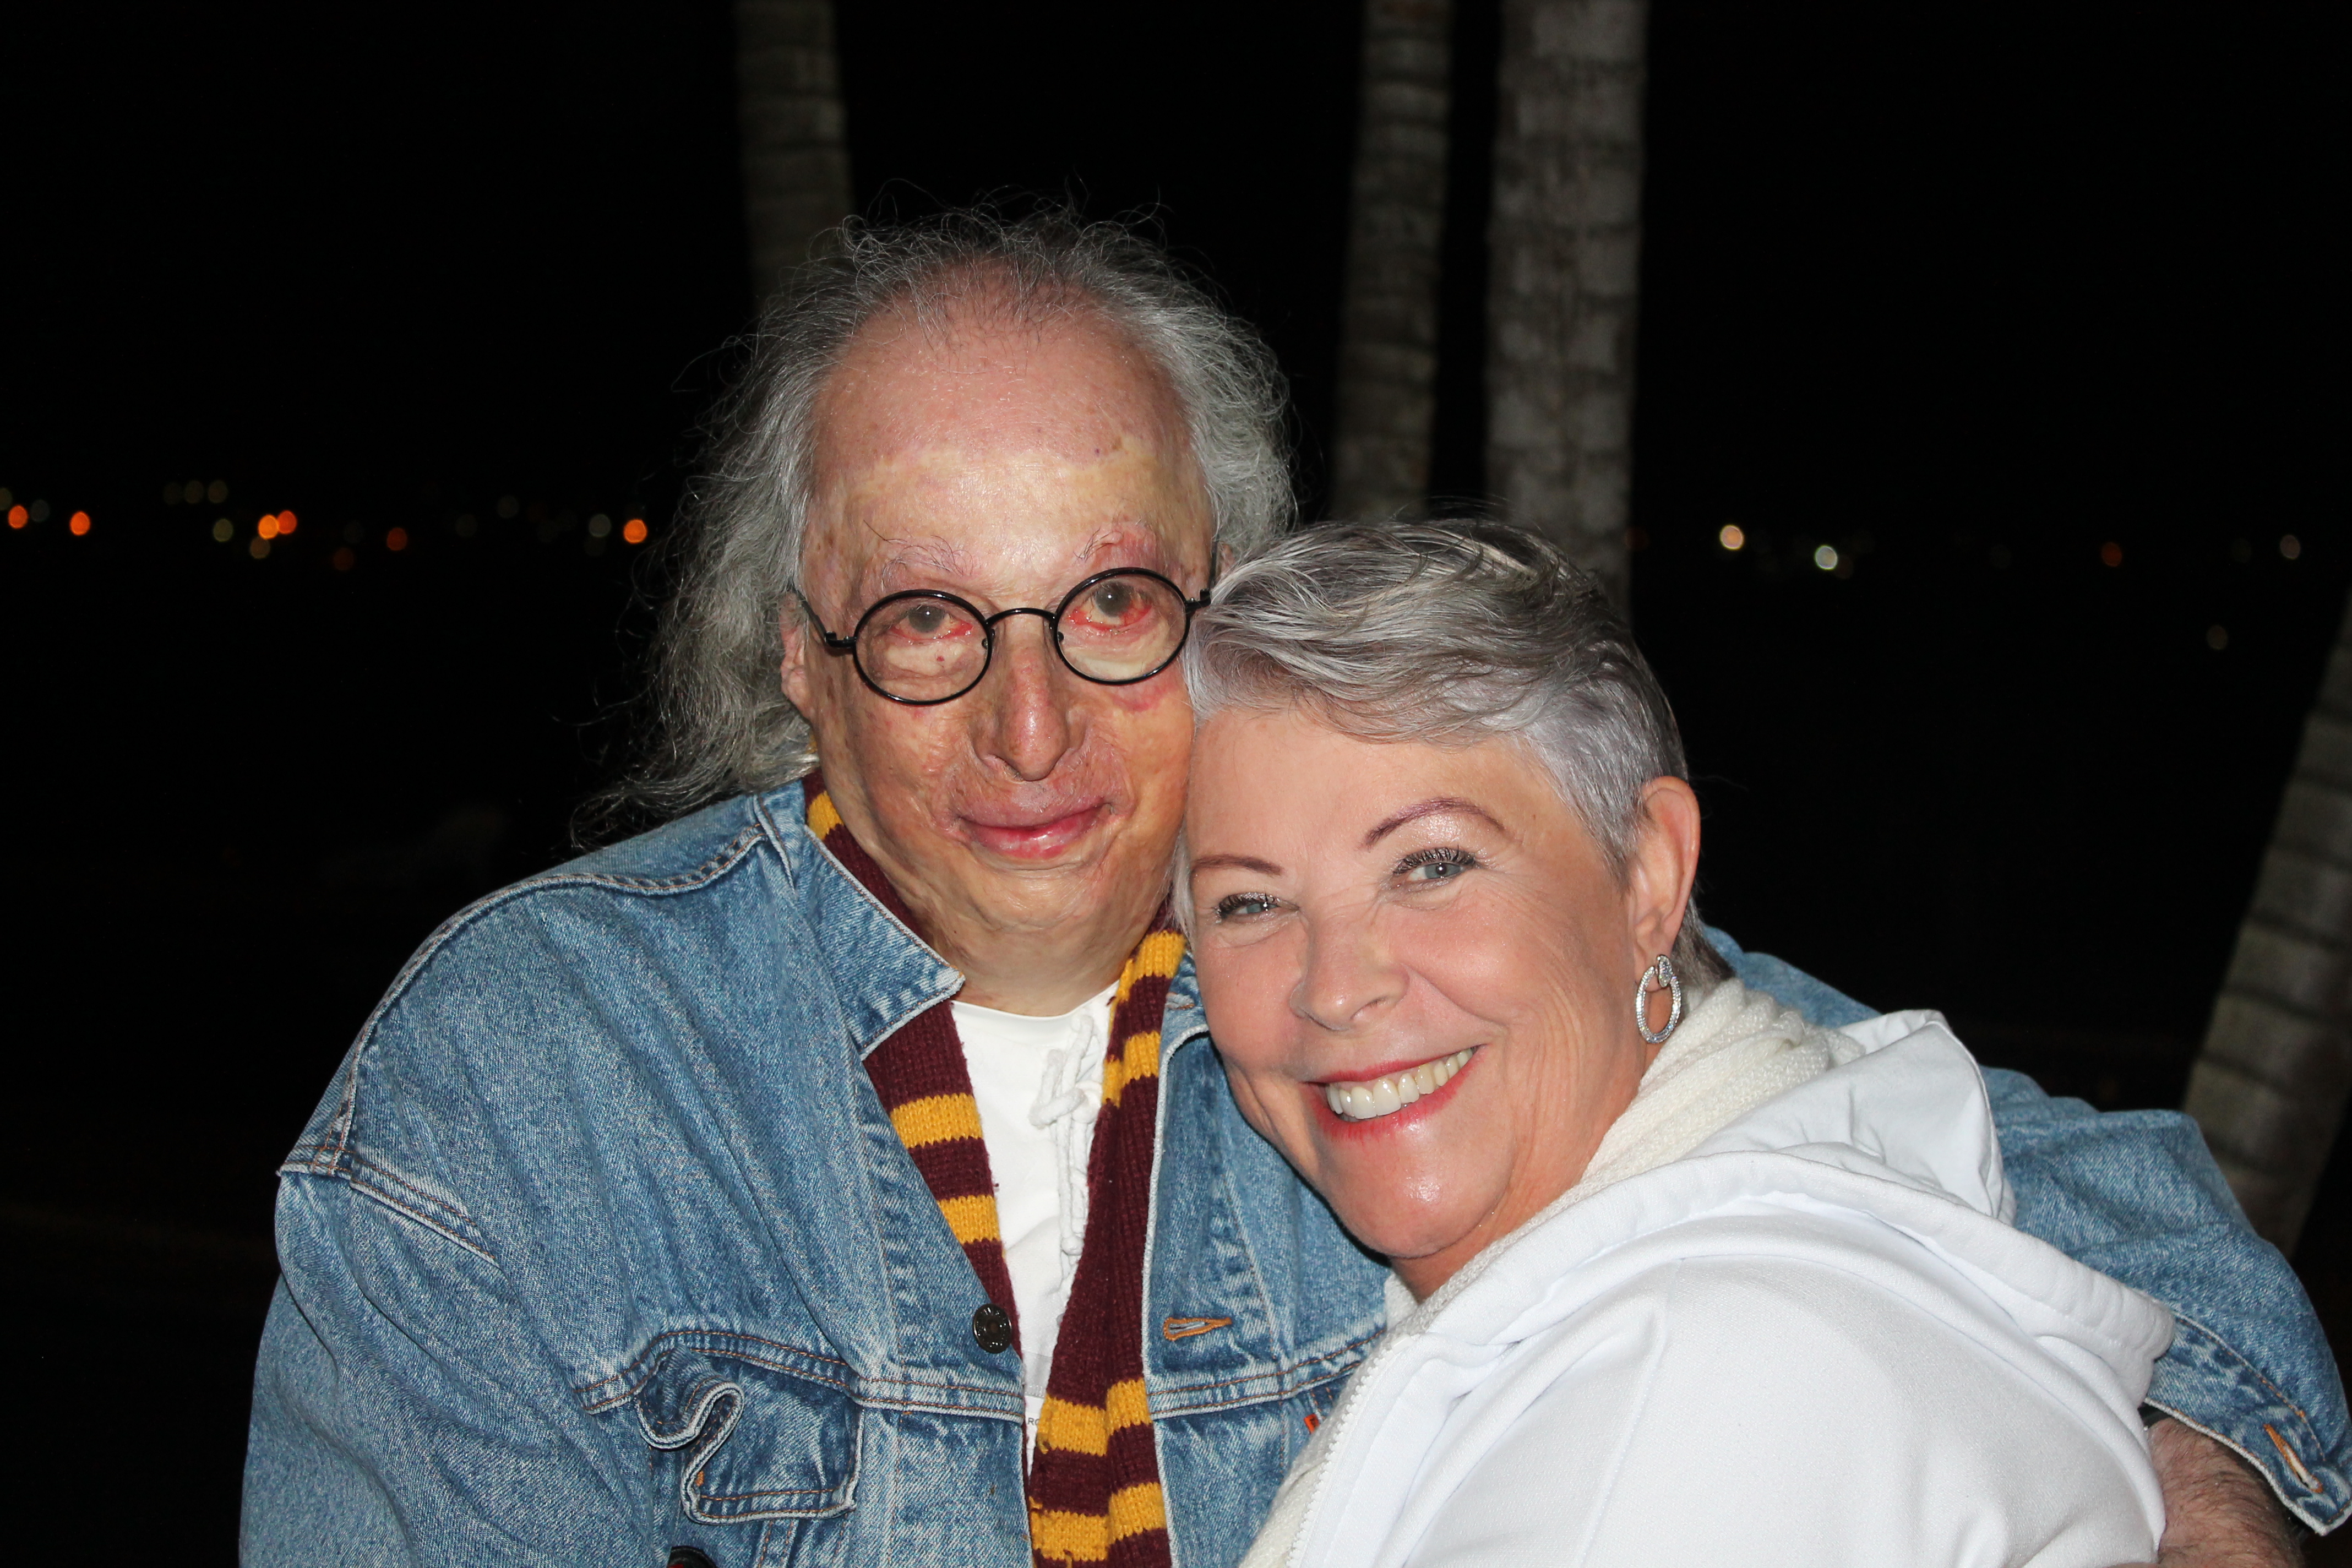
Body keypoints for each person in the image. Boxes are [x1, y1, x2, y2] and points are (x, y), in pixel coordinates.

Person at [242, 211, 2342, 1567]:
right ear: (798, 655)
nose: (1033, 729)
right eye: (927, 619)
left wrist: (2189, 1498)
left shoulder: (1385, 991)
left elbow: (2111, 1218)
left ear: (1223, 608)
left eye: (1111, 601)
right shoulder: (540, 1078)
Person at [1180, 520, 2182, 1565]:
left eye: (1431, 866)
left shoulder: (1694, 1387)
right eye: (1250, 902)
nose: (1337, 990)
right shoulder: (1755, 1240)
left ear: (1648, 873)